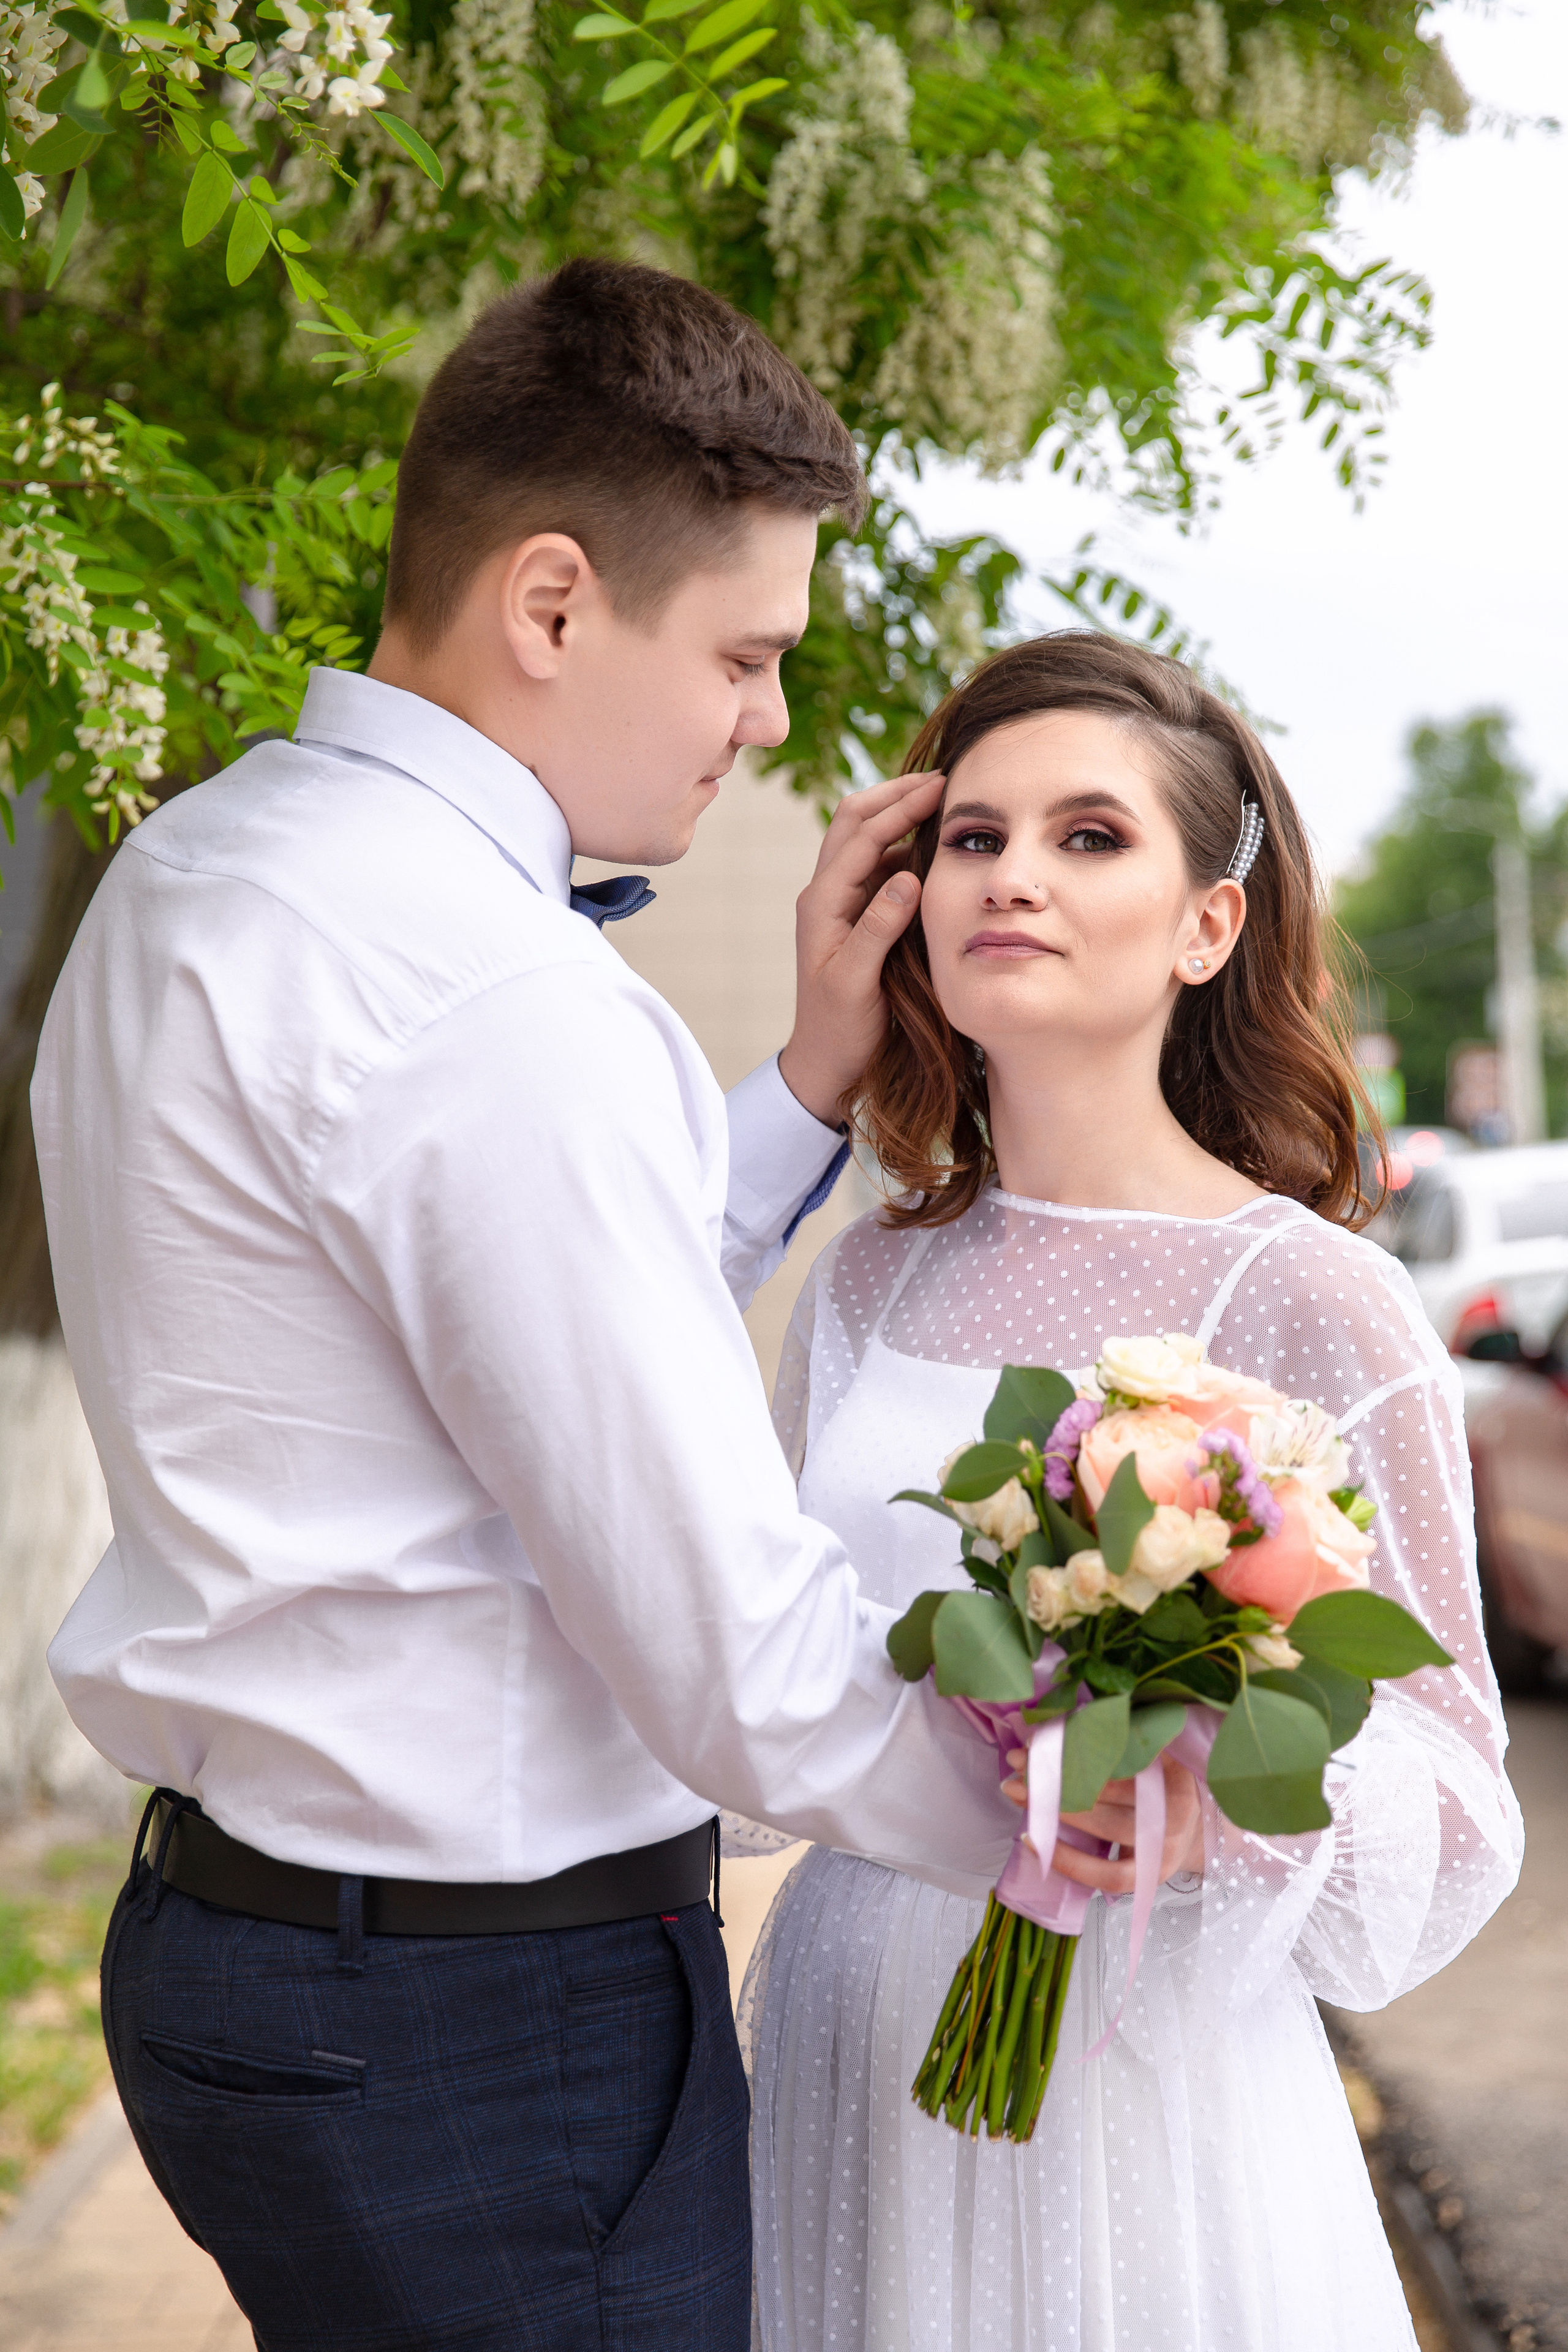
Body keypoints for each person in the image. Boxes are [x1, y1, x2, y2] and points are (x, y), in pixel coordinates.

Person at [30, 260, 1016, 2349]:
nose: (765, 721)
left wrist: (811, 1075)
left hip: (242, 1950)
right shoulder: (495, 995)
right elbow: (735, 1658)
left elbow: (469, 1347)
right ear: (553, 604)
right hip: (487, 2023)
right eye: (746, 655)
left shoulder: (194, 868)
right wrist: (1076, 1816)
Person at [742, 633, 1524, 2352]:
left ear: (1206, 924)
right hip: (853, 2036)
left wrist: (1203, 1797)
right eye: (974, 835)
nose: (1013, 874)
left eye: (1090, 837)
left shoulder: (1312, 1297)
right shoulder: (870, 1279)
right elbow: (753, 1675)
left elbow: (1460, 1785)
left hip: (1140, 2070)